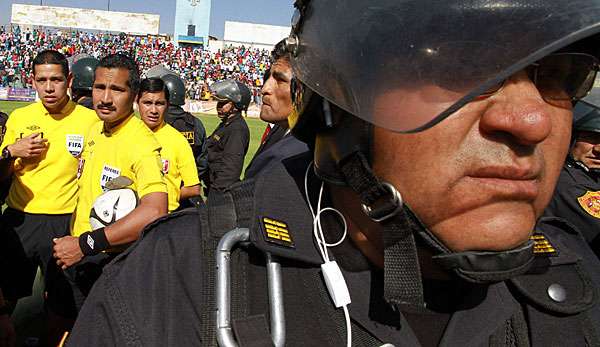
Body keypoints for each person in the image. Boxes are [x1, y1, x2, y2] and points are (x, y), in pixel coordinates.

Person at [66, 1, 600, 346]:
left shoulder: (581, 281)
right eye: (462, 67)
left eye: (560, 76)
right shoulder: (184, 283)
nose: (531, 121)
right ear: (337, 110)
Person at [52, 54, 167, 308]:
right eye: (99, 87)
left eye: (116, 89)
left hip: (106, 260)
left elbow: (155, 210)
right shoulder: (95, 128)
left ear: (134, 94)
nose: (105, 98)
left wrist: (86, 244)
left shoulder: (142, 144)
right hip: (75, 251)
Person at [0, 49, 99, 345]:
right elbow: (2, 176)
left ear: (68, 80)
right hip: (19, 220)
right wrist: (10, 152)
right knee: (4, 300)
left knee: (61, 305)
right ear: (32, 81)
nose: (49, 87)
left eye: (56, 79)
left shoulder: (89, 120)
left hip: (64, 223)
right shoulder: (20, 117)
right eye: (42, 80)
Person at [544, 94, 600, 254]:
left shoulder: (589, 175)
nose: (598, 150)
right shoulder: (571, 185)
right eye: (591, 138)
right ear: (571, 139)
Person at [245, 39, 308, 178]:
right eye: (268, 78)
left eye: (280, 80)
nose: (265, 89)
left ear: (307, 91)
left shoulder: (303, 156)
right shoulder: (281, 129)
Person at [138, 77, 201, 212]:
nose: (153, 110)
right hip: (128, 217)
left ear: (167, 105)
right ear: (137, 103)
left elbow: (194, 188)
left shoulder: (178, 141)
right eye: (147, 103)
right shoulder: (126, 134)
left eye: (159, 104)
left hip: (163, 219)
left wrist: (168, 196)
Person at [162, 74, 209, 193]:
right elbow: (202, 161)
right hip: (188, 190)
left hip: (159, 191)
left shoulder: (154, 122)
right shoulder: (195, 123)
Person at [205, 79, 251, 192]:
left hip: (221, 190)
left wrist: (216, 194)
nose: (218, 107)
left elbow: (231, 170)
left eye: (223, 103)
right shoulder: (226, 124)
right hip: (214, 184)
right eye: (218, 103)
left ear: (236, 105)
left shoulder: (236, 129)